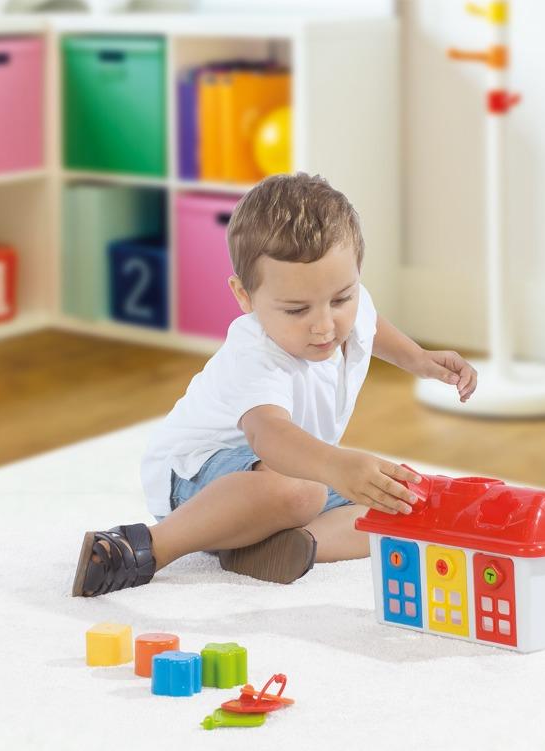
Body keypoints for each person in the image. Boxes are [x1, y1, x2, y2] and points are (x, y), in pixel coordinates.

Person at [72, 173, 477, 597]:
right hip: (196, 478)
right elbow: (269, 435)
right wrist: (337, 464)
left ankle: (289, 546)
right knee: (301, 490)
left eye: (341, 300)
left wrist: (420, 360)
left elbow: (370, 324)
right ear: (244, 296)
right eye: (297, 309)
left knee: (404, 500)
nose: (325, 324)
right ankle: (145, 548)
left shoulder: (345, 298)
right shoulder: (255, 351)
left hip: (292, 474)